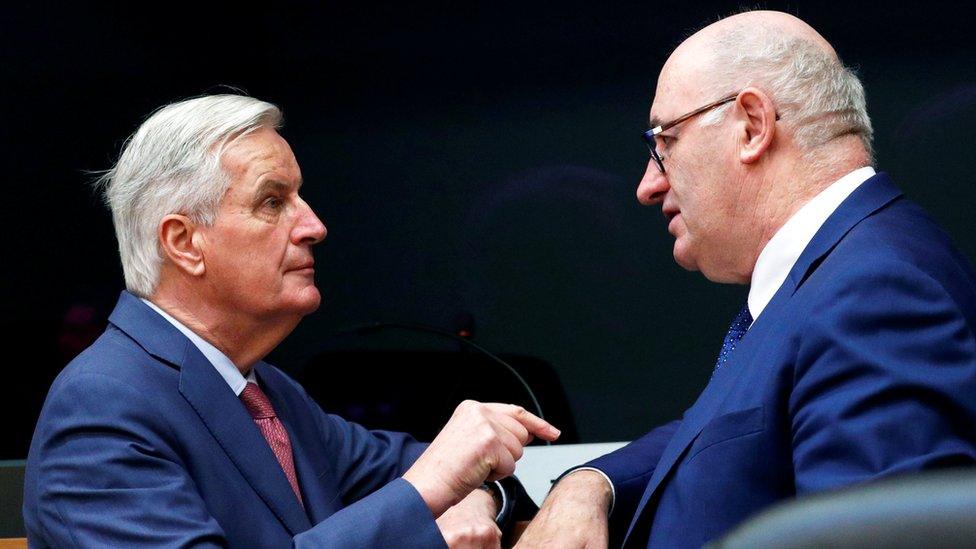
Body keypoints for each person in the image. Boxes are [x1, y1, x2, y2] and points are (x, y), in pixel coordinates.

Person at [515, 10, 976, 548]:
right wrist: (590, 483)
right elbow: (728, 431)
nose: (647, 185)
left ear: (753, 125)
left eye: (663, 142)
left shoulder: (878, 294)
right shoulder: (841, 271)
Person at [23, 94, 560, 548]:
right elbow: (429, 478)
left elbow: (458, 469)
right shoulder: (102, 406)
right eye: (272, 201)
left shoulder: (267, 393)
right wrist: (431, 490)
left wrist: (478, 496)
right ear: (185, 243)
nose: (314, 226)